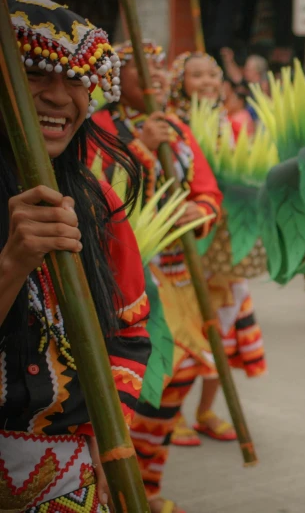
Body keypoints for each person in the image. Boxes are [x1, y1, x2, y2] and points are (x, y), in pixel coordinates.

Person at [0, 0, 151, 510]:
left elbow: (129, 332)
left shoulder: (94, 200)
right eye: (37, 74)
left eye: (75, 79)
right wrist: (13, 265)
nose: (60, 97)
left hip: (69, 477)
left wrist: (108, 438)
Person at [91, 41, 223, 513]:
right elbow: (96, 192)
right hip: (121, 276)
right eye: (141, 68)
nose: (158, 76)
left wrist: (198, 209)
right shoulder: (98, 128)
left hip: (178, 276)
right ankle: (114, 488)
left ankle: (145, 484)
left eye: (162, 67)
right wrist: (140, 149)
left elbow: (208, 192)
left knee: (179, 373)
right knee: (125, 382)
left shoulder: (178, 129)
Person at [166, 51, 266, 447]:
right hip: (182, 251)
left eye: (213, 74)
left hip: (225, 252)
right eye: (196, 76)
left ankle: (206, 411)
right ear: (179, 84)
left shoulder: (231, 123)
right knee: (183, 337)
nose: (207, 82)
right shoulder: (171, 128)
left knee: (221, 335)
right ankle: (169, 415)